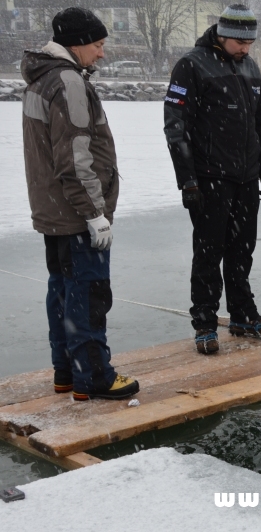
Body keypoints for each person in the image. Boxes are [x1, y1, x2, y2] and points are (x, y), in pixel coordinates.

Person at [21, 7, 139, 400]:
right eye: (99, 45)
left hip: (53, 212)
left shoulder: (42, 78)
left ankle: (66, 373)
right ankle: (94, 377)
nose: (102, 54)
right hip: (75, 215)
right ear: (78, 43)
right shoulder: (68, 81)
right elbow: (75, 157)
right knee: (87, 296)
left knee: (62, 293)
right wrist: (95, 215)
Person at [164, 4, 261, 354]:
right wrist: (188, 181)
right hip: (209, 177)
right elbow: (175, 127)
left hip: (245, 176)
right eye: (240, 43)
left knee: (242, 251)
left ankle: (243, 314)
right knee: (208, 252)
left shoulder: (250, 66)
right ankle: (205, 322)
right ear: (222, 34)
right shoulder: (191, 65)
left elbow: (258, 124)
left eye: (250, 43)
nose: (246, 49)